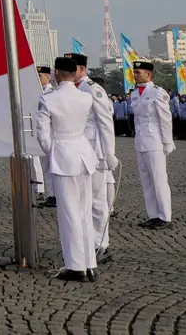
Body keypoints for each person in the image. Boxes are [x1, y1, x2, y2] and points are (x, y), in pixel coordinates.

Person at [35, 56, 110, 282]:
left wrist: (53, 152)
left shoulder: (49, 99)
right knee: (84, 212)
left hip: (64, 155)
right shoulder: (85, 97)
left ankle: (76, 266)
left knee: (69, 213)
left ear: (57, 73)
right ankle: (90, 263)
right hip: (83, 154)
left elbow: (42, 134)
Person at [68, 53, 118, 264]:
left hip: (95, 152)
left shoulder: (93, 89)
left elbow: (105, 122)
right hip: (80, 151)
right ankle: (87, 242)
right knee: (83, 200)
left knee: (98, 202)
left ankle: (101, 244)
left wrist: (109, 153)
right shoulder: (74, 89)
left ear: (81, 69)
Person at [130, 61, 174, 229]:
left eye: (138, 72)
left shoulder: (157, 92)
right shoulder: (135, 94)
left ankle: (165, 216)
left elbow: (165, 118)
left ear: (148, 74)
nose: (135, 75)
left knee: (159, 179)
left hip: (155, 141)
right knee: (146, 180)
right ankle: (153, 214)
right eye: (135, 72)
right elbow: (136, 120)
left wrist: (167, 141)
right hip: (141, 140)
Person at [33, 66, 57, 208]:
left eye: (40, 76)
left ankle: (56, 195)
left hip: (52, 136)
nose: (38, 79)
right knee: (46, 167)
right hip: (41, 135)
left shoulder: (52, 93)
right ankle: (51, 195)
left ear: (48, 77)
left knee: (53, 167)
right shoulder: (36, 93)